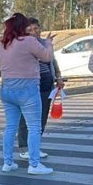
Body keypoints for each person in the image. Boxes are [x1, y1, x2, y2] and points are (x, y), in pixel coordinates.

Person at [0, 12, 54, 175]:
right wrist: (49, 43)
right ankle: (34, 164)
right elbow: (47, 57)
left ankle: (8, 162)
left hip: (7, 89)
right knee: (34, 127)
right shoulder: (28, 41)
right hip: (27, 89)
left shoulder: (2, 44)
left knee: (10, 127)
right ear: (23, 26)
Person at [16, 17, 64, 161]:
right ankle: (24, 148)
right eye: (29, 30)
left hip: (46, 84)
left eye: (36, 28)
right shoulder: (21, 45)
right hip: (29, 86)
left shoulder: (45, 43)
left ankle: (34, 147)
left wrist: (59, 77)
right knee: (26, 118)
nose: (33, 32)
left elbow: (52, 60)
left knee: (41, 118)